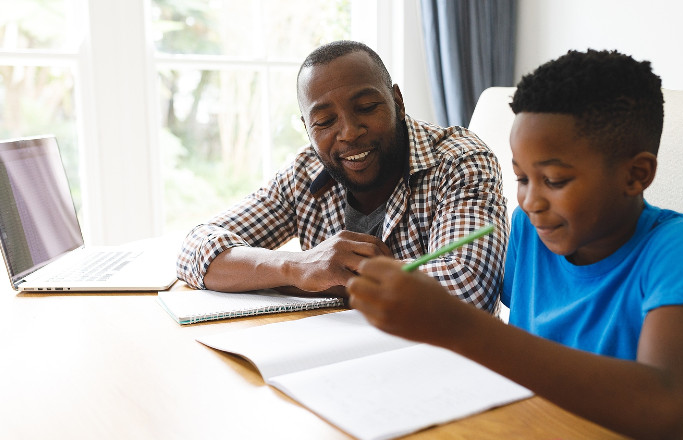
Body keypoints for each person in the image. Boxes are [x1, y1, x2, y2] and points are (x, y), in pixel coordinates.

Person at [346, 49, 683, 439]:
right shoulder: (531, 230)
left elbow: (662, 409)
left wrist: (460, 325)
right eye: (522, 178)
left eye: (554, 180)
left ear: (636, 175)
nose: (531, 201)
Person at [176, 40, 507, 312]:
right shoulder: (304, 174)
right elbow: (196, 249)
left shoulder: (458, 159)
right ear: (307, 129)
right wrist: (299, 268)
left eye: (366, 107)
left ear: (397, 102)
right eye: (324, 121)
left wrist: (325, 280)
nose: (349, 132)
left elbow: (467, 288)